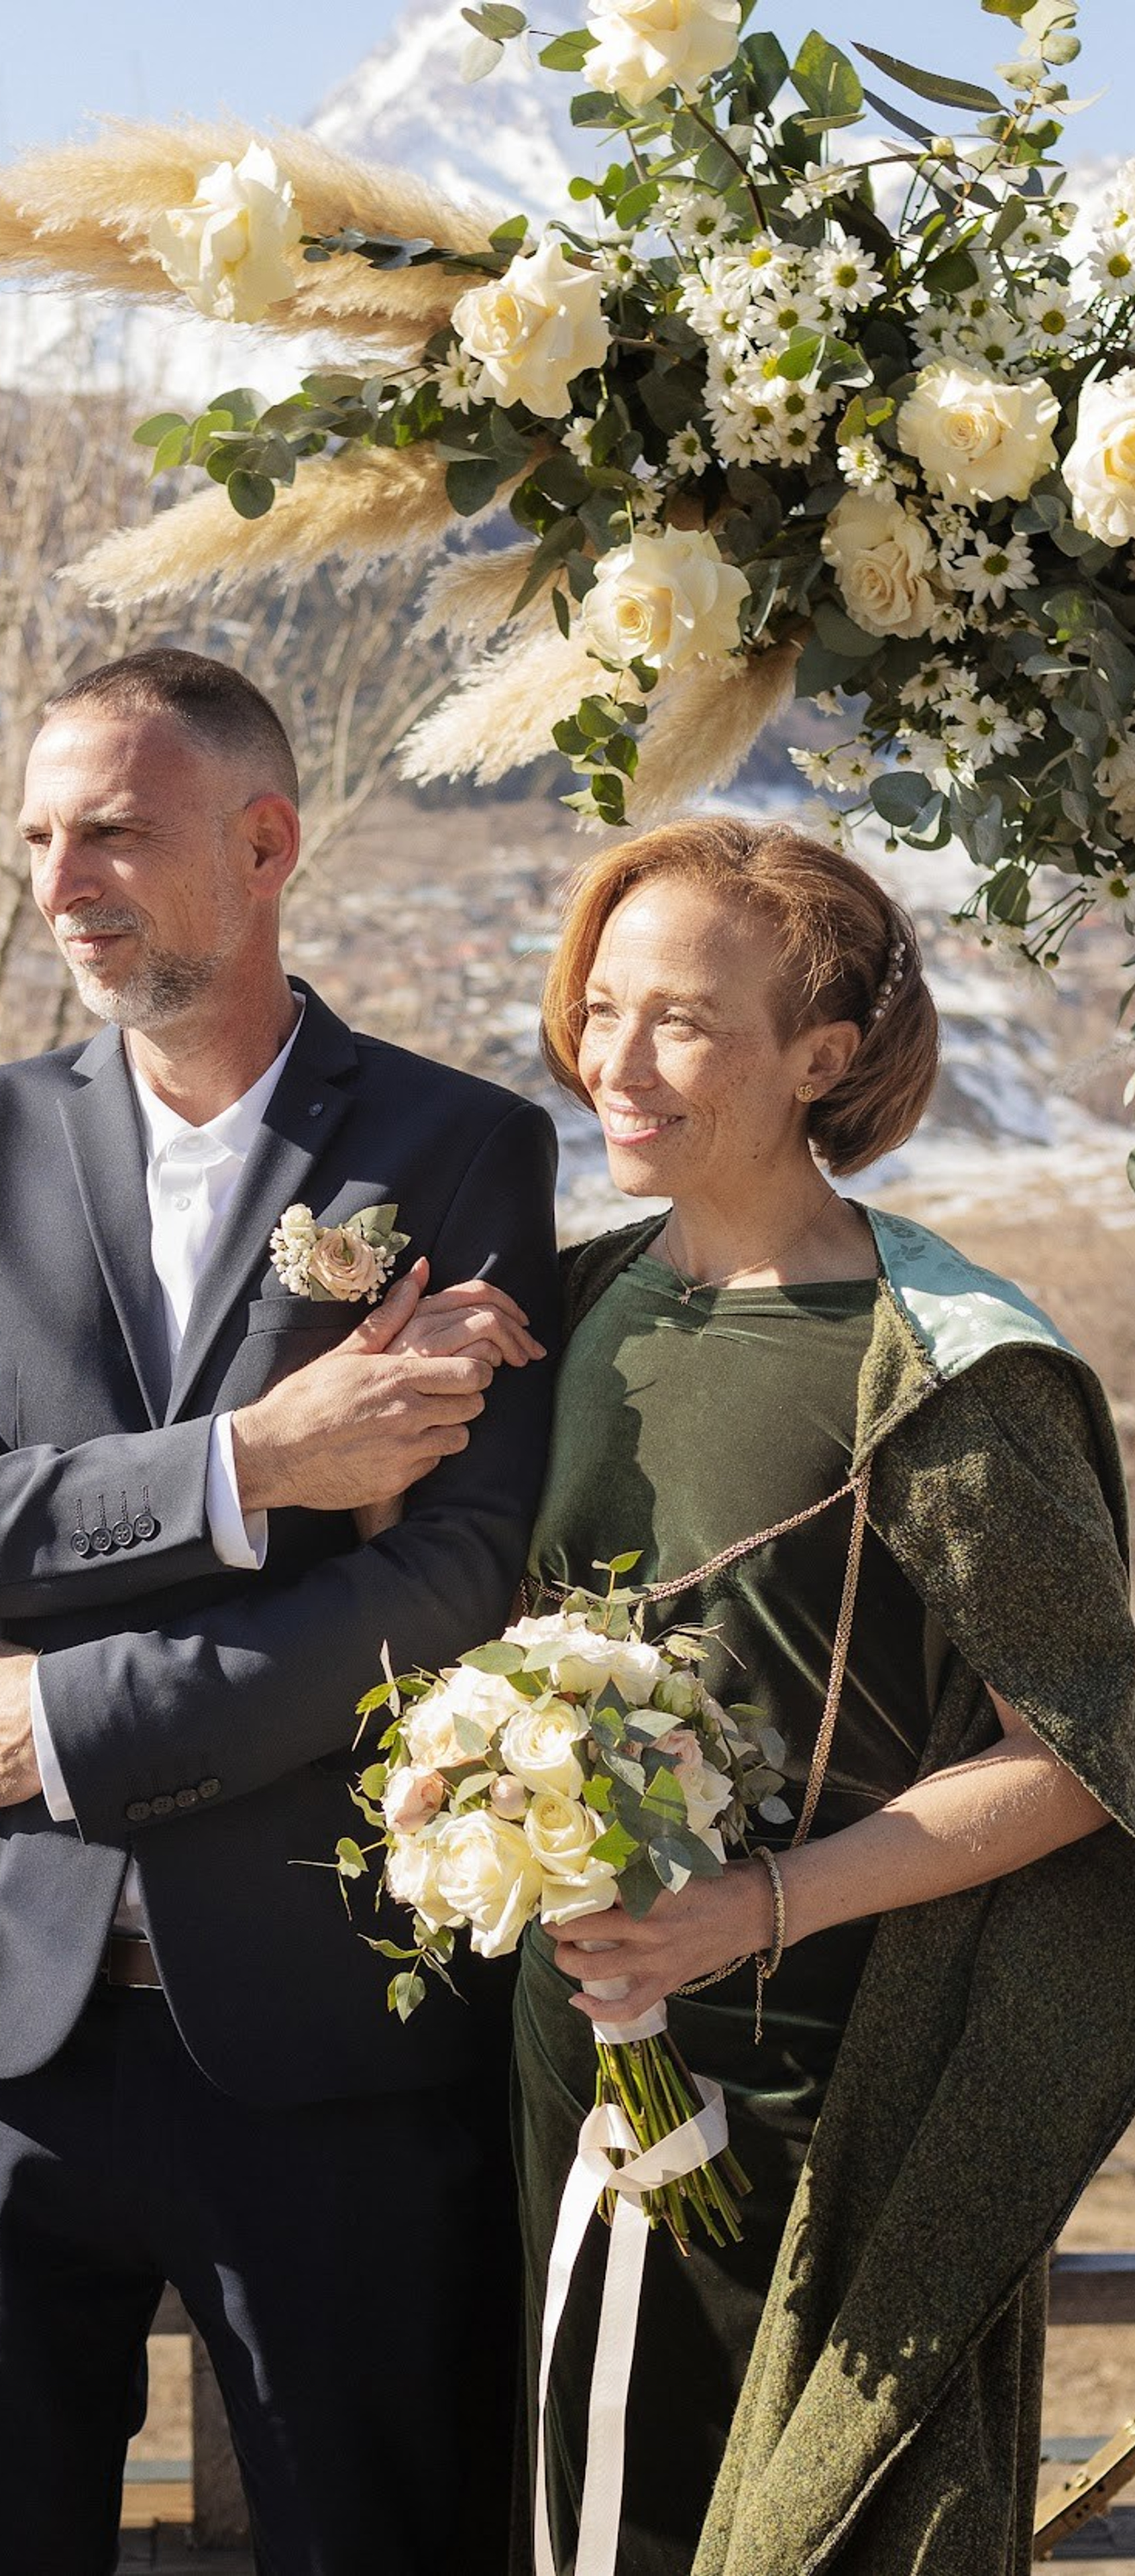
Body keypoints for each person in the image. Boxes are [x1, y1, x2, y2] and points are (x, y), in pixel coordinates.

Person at [0, 647, 562, 2576]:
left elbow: (452, 1577)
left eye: (117, 835)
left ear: (265, 842)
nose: (66, 881)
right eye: (43, 839)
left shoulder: (461, 1153)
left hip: (326, 2024)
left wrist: (73, 1719)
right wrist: (248, 1468)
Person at [488, 814, 1135, 2576]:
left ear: (823, 1057)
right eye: (598, 1006)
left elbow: (1077, 1757)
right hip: (577, 2065)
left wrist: (752, 1910)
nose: (613, 1063)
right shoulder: (577, 1308)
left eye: (684, 1021)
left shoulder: (944, 1368)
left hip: (815, 2101)